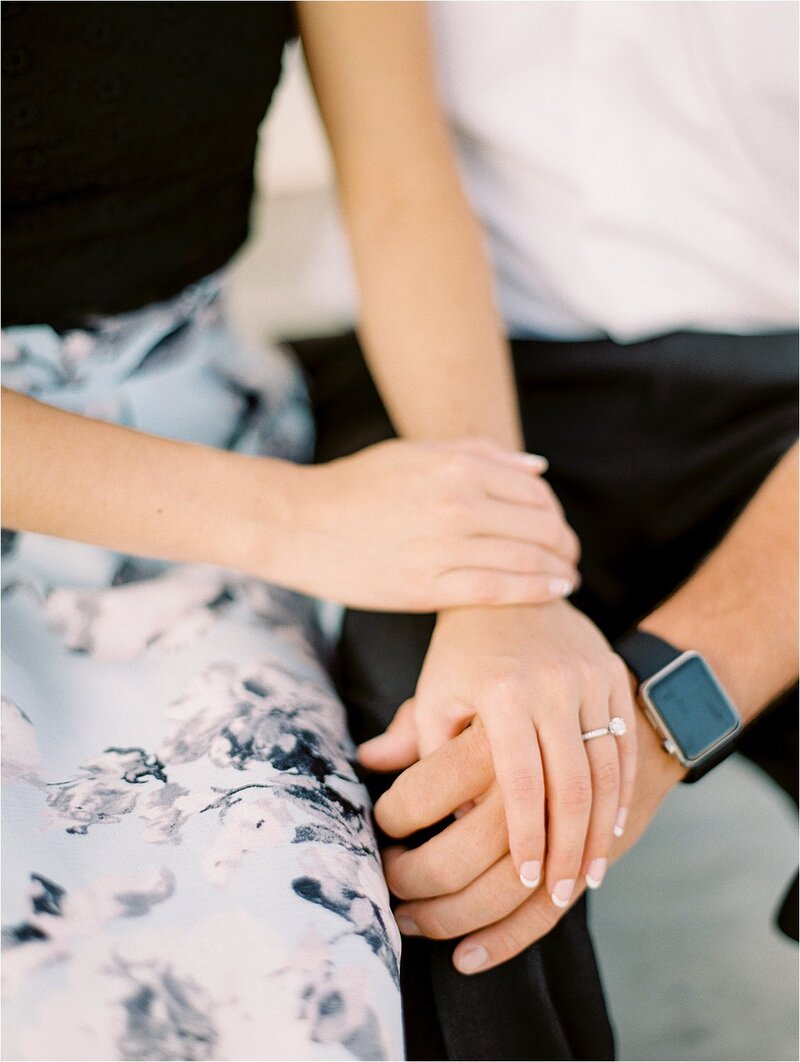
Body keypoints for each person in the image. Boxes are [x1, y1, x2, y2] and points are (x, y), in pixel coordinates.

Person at [0, 3, 614, 1059]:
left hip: (186, 439)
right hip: (220, 507)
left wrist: (495, 576)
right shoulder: (283, 519)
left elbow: (398, 188)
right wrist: (299, 521)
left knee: (279, 970)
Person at [290, 1, 799, 1058]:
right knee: (448, 787)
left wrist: (655, 719)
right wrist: (494, 570)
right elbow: (396, 190)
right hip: (453, 372)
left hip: (780, 383)